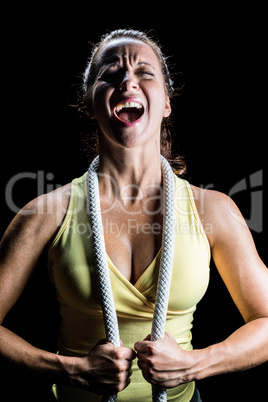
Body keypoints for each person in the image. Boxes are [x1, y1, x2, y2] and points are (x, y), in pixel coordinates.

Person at [0, 28, 268, 402]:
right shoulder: (47, 212)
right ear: (90, 104)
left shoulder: (214, 210)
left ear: (167, 102)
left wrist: (197, 364)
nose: (127, 80)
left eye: (145, 72)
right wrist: (69, 369)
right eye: (109, 74)